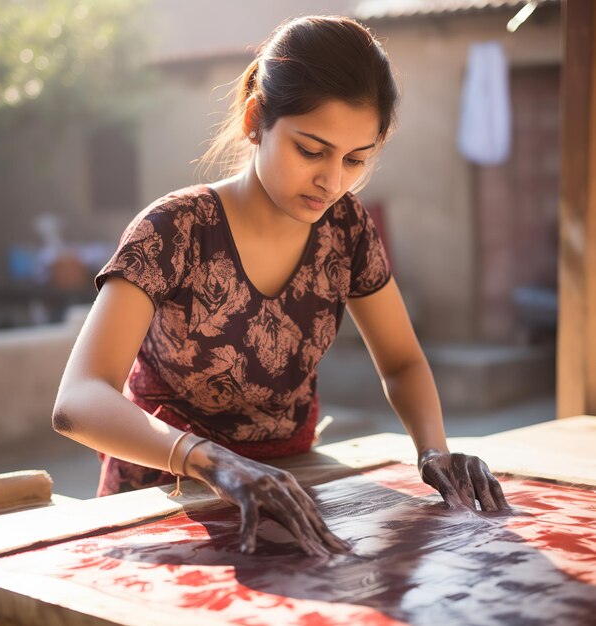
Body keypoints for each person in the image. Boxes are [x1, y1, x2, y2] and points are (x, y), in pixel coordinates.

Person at [52, 15, 509, 557]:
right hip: (164, 503)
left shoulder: (347, 229)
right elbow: (78, 400)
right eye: (311, 150)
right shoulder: (174, 230)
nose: (332, 181)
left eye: (356, 159)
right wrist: (212, 460)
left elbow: (402, 362)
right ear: (254, 120)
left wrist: (433, 451)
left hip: (290, 496)